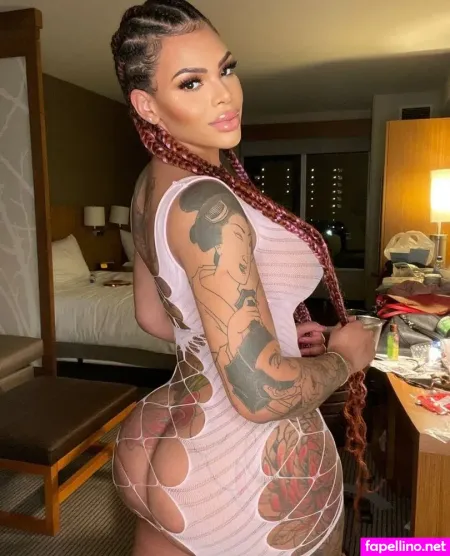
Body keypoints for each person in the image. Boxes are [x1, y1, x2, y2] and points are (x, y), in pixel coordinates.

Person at [110, 2, 375, 555]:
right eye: (191, 82)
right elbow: (259, 396)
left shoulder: (150, 184)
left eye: (226, 69)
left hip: (162, 439)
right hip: (240, 464)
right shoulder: (208, 203)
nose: (224, 95)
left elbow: (153, 316)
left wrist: (261, 338)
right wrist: (344, 358)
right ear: (147, 105)